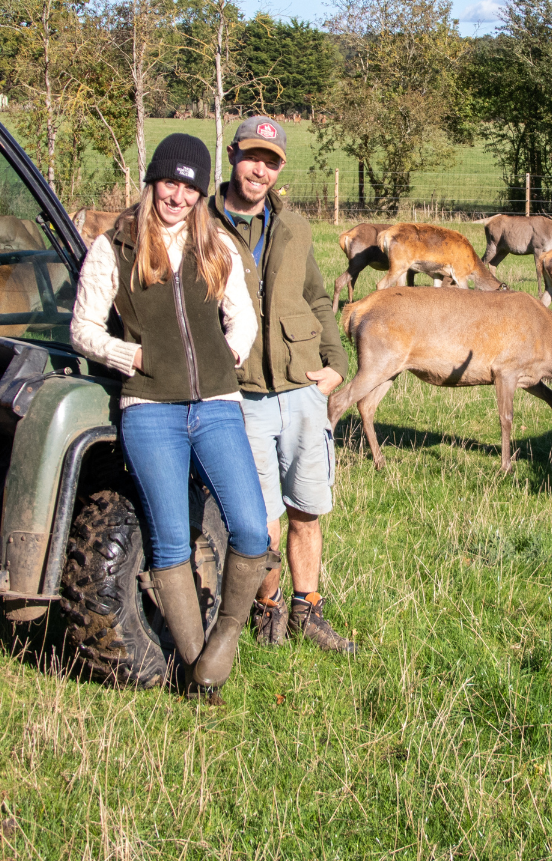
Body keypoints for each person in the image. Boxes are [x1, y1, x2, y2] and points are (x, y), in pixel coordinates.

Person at [71, 133, 277, 697]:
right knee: (168, 545)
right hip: (149, 410)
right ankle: (197, 672)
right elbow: (83, 329)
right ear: (153, 182)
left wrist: (233, 349)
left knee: (252, 529)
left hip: (216, 405)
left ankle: (226, 635)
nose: (179, 197)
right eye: (170, 183)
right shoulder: (114, 247)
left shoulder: (217, 247)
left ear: (200, 193)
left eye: (190, 187)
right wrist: (128, 355)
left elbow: (244, 315)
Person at [209, 116, 355, 653]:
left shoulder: (294, 228)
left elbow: (317, 297)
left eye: (271, 162)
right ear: (232, 155)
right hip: (240, 392)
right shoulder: (201, 225)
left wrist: (336, 361)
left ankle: (307, 610)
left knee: (307, 511)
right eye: (252, 157)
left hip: (300, 389)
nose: (260, 170)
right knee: (261, 520)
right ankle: (266, 610)